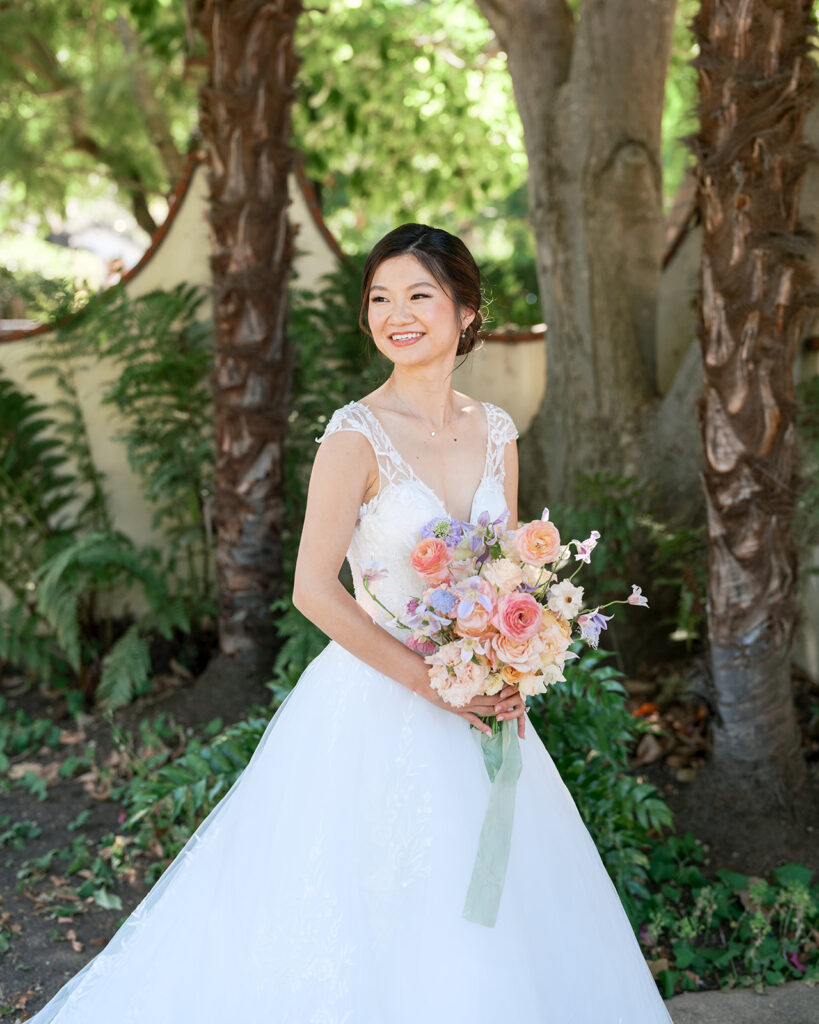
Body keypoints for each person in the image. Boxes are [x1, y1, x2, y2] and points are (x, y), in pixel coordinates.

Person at [26, 224, 674, 1023]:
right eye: (379, 298)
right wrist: (430, 682)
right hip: (379, 698)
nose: (395, 314)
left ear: (465, 311)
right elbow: (313, 591)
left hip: (482, 705)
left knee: (495, 915)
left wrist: (516, 656)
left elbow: (512, 570)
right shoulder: (353, 436)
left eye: (418, 296)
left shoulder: (496, 431)